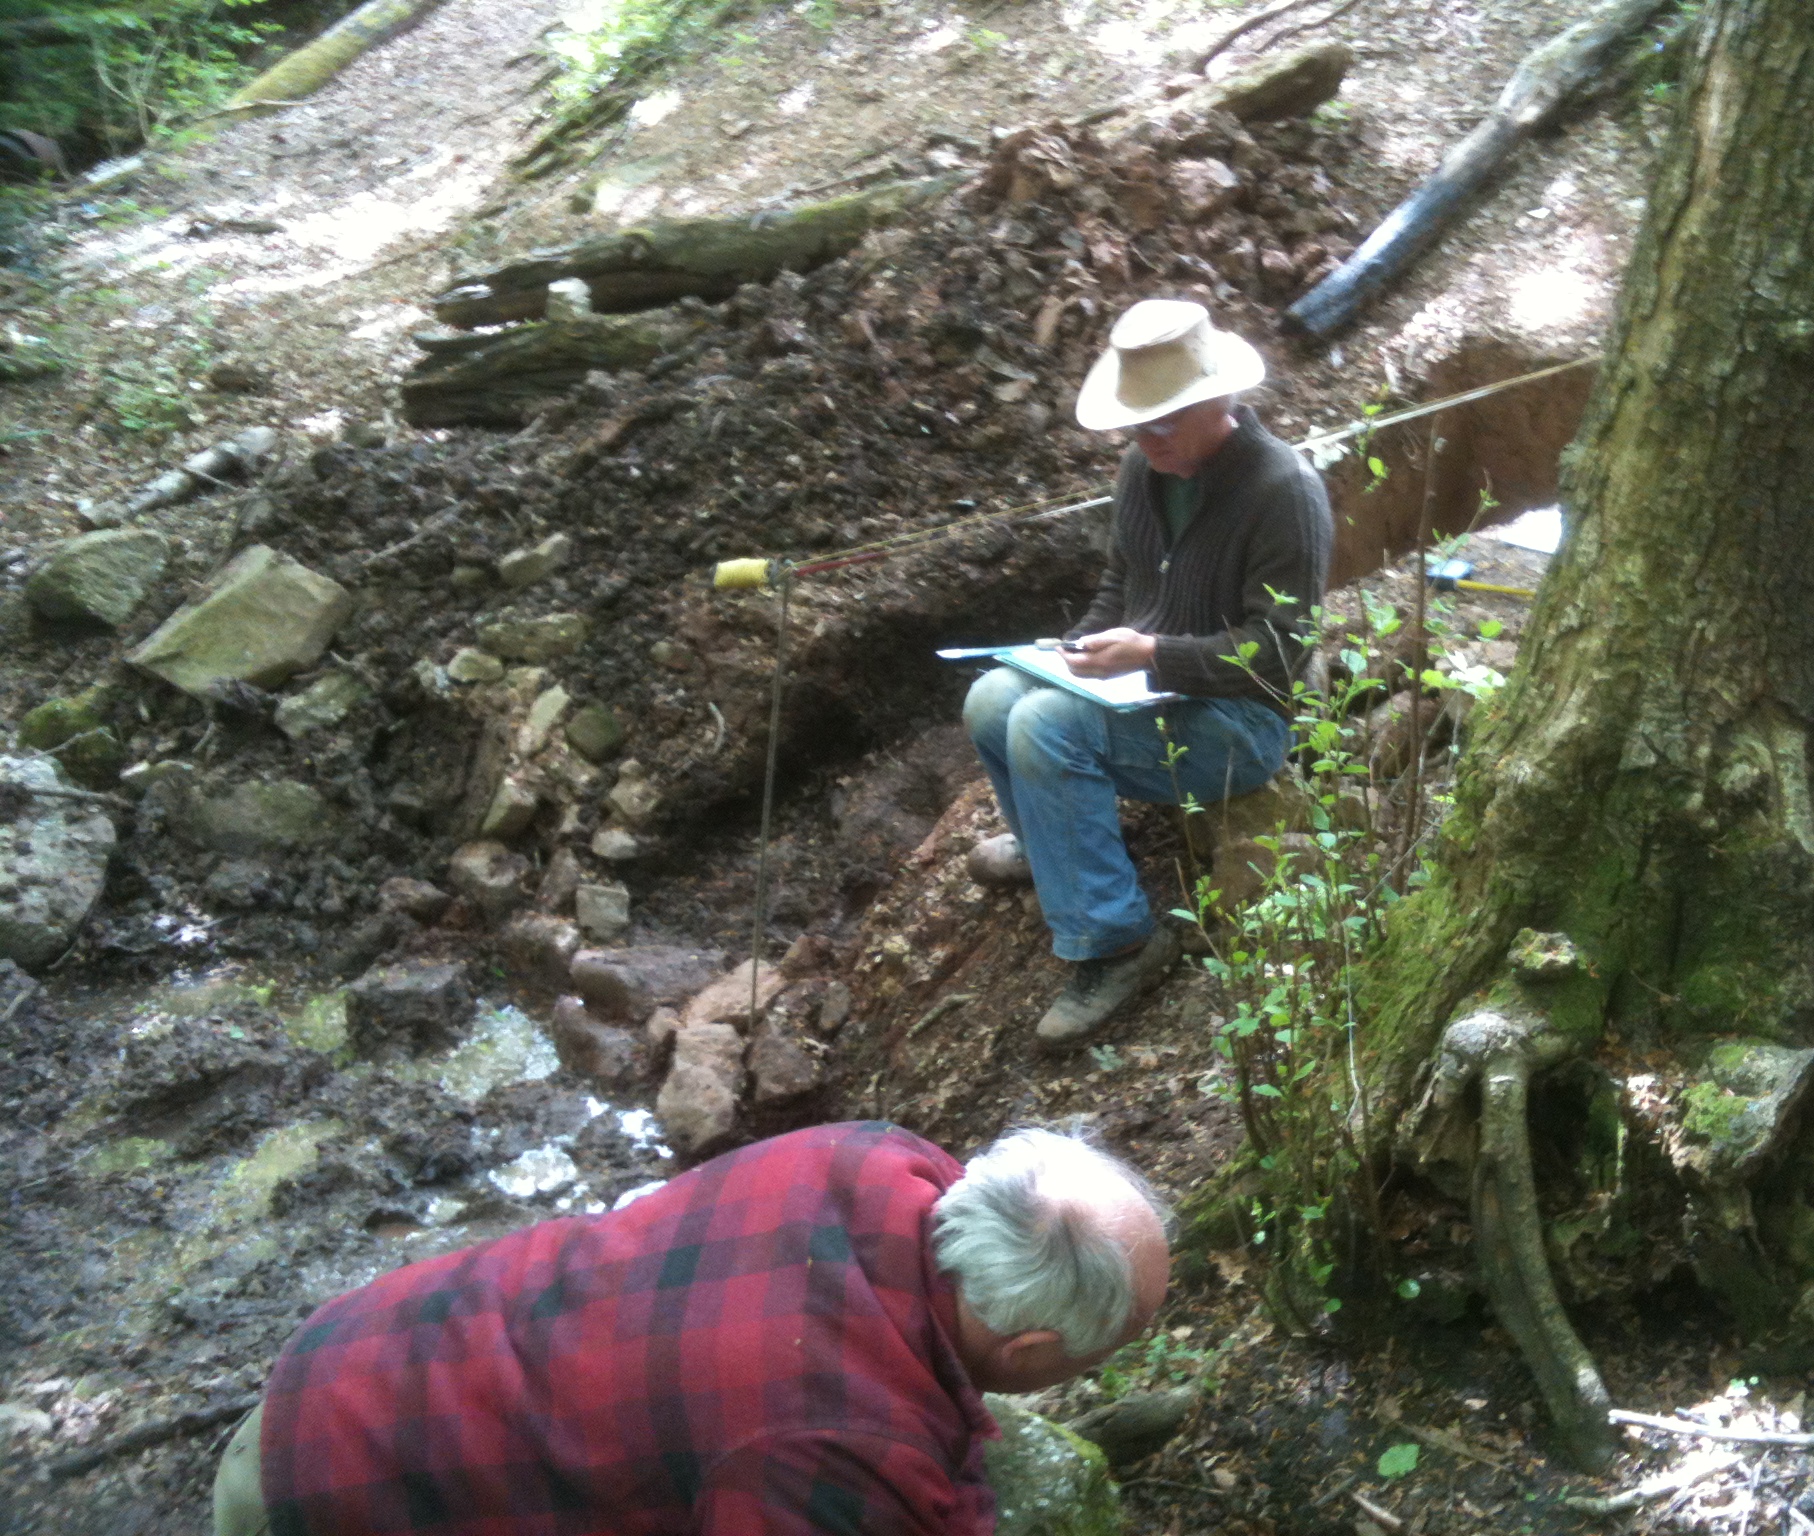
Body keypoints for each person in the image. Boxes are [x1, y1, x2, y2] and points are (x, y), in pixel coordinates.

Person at [212, 1121, 1169, 1536]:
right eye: (1113, 1343)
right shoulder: (834, 1445)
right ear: (1030, 1353)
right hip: (325, 1494)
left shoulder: (877, 1156)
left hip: (355, 1348)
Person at [964, 298, 1333, 1048]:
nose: (1145, 437)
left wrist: (1154, 655)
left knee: (1045, 725)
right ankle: (1050, 847)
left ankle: (1117, 943)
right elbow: (1121, 582)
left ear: (1219, 401)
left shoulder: (1283, 490)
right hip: (1149, 689)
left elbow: (1279, 651)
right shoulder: (1144, 468)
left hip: (1244, 722)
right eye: (1137, 423)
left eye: (1163, 421)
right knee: (992, 697)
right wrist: (1079, 647)